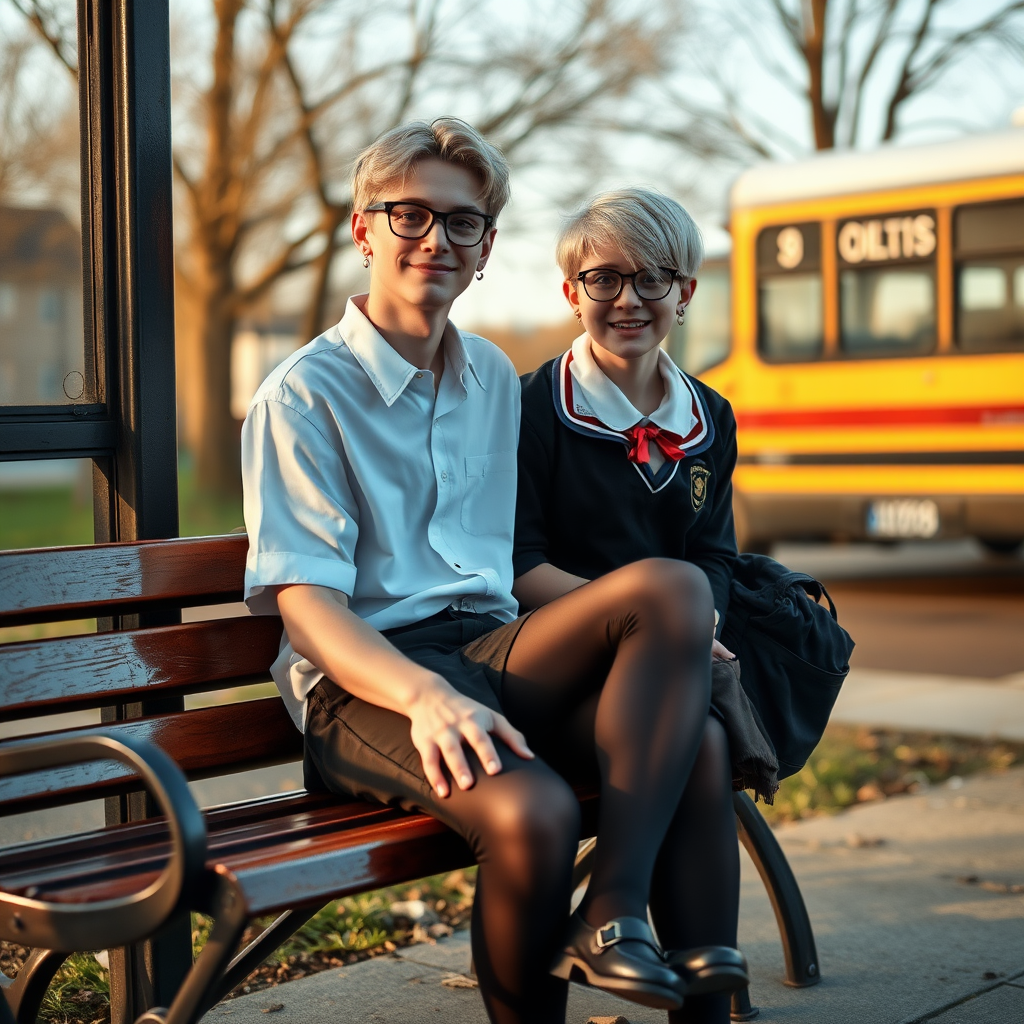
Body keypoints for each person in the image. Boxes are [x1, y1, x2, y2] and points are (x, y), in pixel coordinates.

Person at [242, 121, 739, 1024]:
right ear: (363, 232)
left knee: (681, 623)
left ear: (485, 250)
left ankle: (622, 920)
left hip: (494, 654)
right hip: (368, 685)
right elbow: (308, 608)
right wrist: (426, 698)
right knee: (538, 812)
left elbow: (534, 551)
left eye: (461, 223)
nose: (435, 239)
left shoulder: (492, 380)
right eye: (410, 216)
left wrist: (666, 649)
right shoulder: (303, 395)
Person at [514, 187, 755, 1024]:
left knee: (709, 742)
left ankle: (701, 993)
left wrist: (698, 626)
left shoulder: (710, 417)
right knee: (674, 608)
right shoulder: (532, 406)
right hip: (554, 662)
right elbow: (515, 564)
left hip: (666, 675)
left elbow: (715, 555)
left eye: (653, 279)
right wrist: (649, 624)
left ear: (687, 293)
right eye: (604, 278)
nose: (628, 300)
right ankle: (623, 915)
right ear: (570, 291)